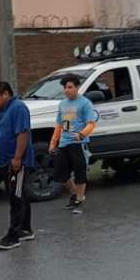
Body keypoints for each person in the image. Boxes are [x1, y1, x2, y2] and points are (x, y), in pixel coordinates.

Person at [0, 81, 35, 250]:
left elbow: (22, 133)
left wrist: (17, 158)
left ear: (6, 94)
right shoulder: (2, 110)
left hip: (16, 161)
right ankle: (25, 229)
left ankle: (13, 235)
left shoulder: (18, 108)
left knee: (15, 197)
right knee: (19, 194)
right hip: (5, 161)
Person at [49, 74, 99, 215]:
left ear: (77, 87)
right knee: (60, 174)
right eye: (65, 87)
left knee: (80, 173)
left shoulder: (85, 103)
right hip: (64, 143)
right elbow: (58, 125)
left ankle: (79, 200)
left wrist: (82, 134)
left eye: (70, 87)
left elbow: (91, 123)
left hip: (78, 143)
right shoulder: (62, 104)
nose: (67, 90)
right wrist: (53, 142)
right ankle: (75, 194)